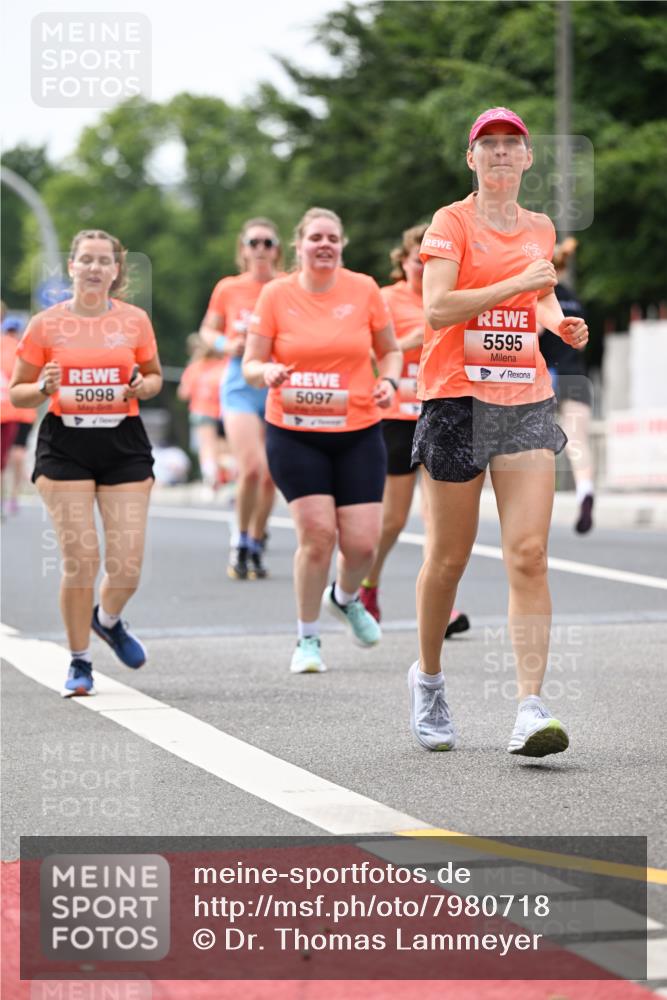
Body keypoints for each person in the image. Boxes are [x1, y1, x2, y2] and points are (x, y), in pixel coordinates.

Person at [410, 107, 588, 757]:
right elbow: (436, 308)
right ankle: (428, 679)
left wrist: (553, 322)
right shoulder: (450, 224)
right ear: (472, 161)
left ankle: (529, 707)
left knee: (527, 553)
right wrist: (517, 283)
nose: (502, 154)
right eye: (489, 146)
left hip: (523, 401)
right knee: (448, 559)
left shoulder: (538, 227)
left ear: (528, 159)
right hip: (456, 399)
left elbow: (537, 296)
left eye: (512, 145)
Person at [243, 207, 402, 674]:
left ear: (343, 243)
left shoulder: (365, 290)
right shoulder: (276, 294)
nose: (325, 244)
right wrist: (266, 370)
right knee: (317, 535)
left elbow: (389, 351)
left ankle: (345, 596)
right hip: (295, 431)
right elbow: (251, 364)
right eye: (316, 237)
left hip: (357, 429)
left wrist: (389, 383)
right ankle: (307, 639)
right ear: (299, 245)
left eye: (333, 236)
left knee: (363, 546)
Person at [10, 229, 163, 697]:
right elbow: (18, 390)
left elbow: (155, 376)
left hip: (123, 444)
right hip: (66, 446)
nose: (95, 268)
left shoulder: (135, 321)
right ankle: (79, 661)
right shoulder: (45, 324)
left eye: (104, 261)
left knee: (127, 566)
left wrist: (143, 387)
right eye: (86, 260)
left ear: (117, 271)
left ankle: (108, 619)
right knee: (81, 560)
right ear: (71, 268)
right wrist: (44, 388)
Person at [358, 225, 470, 638]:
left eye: (430, 263)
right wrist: (419, 332)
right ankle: (368, 584)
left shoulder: (453, 294)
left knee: (435, 520)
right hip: (398, 414)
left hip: (441, 409)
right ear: (401, 261)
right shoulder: (386, 300)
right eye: (416, 261)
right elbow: (372, 351)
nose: (423, 270)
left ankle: (442, 605)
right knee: (392, 519)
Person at [199, 218, 282, 580]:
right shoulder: (229, 288)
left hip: (278, 381)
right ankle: (241, 538)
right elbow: (207, 329)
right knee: (251, 467)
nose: (260, 249)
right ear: (243, 249)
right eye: (254, 242)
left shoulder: (286, 287)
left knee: (271, 476)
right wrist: (222, 344)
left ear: (277, 249)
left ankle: (257, 537)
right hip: (239, 382)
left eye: (267, 242)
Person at [538, 238, 595, 533]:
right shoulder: (574, 298)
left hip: (547, 375)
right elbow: (581, 344)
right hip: (576, 375)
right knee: (578, 442)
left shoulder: (539, 296)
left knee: (539, 443)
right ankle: (585, 490)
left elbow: (532, 334)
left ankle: (536, 502)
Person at [177, 333, 230, 491]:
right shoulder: (225, 365)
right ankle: (229, 475)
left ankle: (210, 476)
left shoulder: (195, 367)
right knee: (224, 449)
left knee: (207, 447)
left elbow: (183, 393)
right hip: (223, 412)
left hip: (202, 411)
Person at [1, 315, 36, 516]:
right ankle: (13, 496)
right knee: (18, 453)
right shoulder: (23, 350)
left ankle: (5, 496)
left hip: (5, 411)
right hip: (23, 412)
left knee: (4, 456)